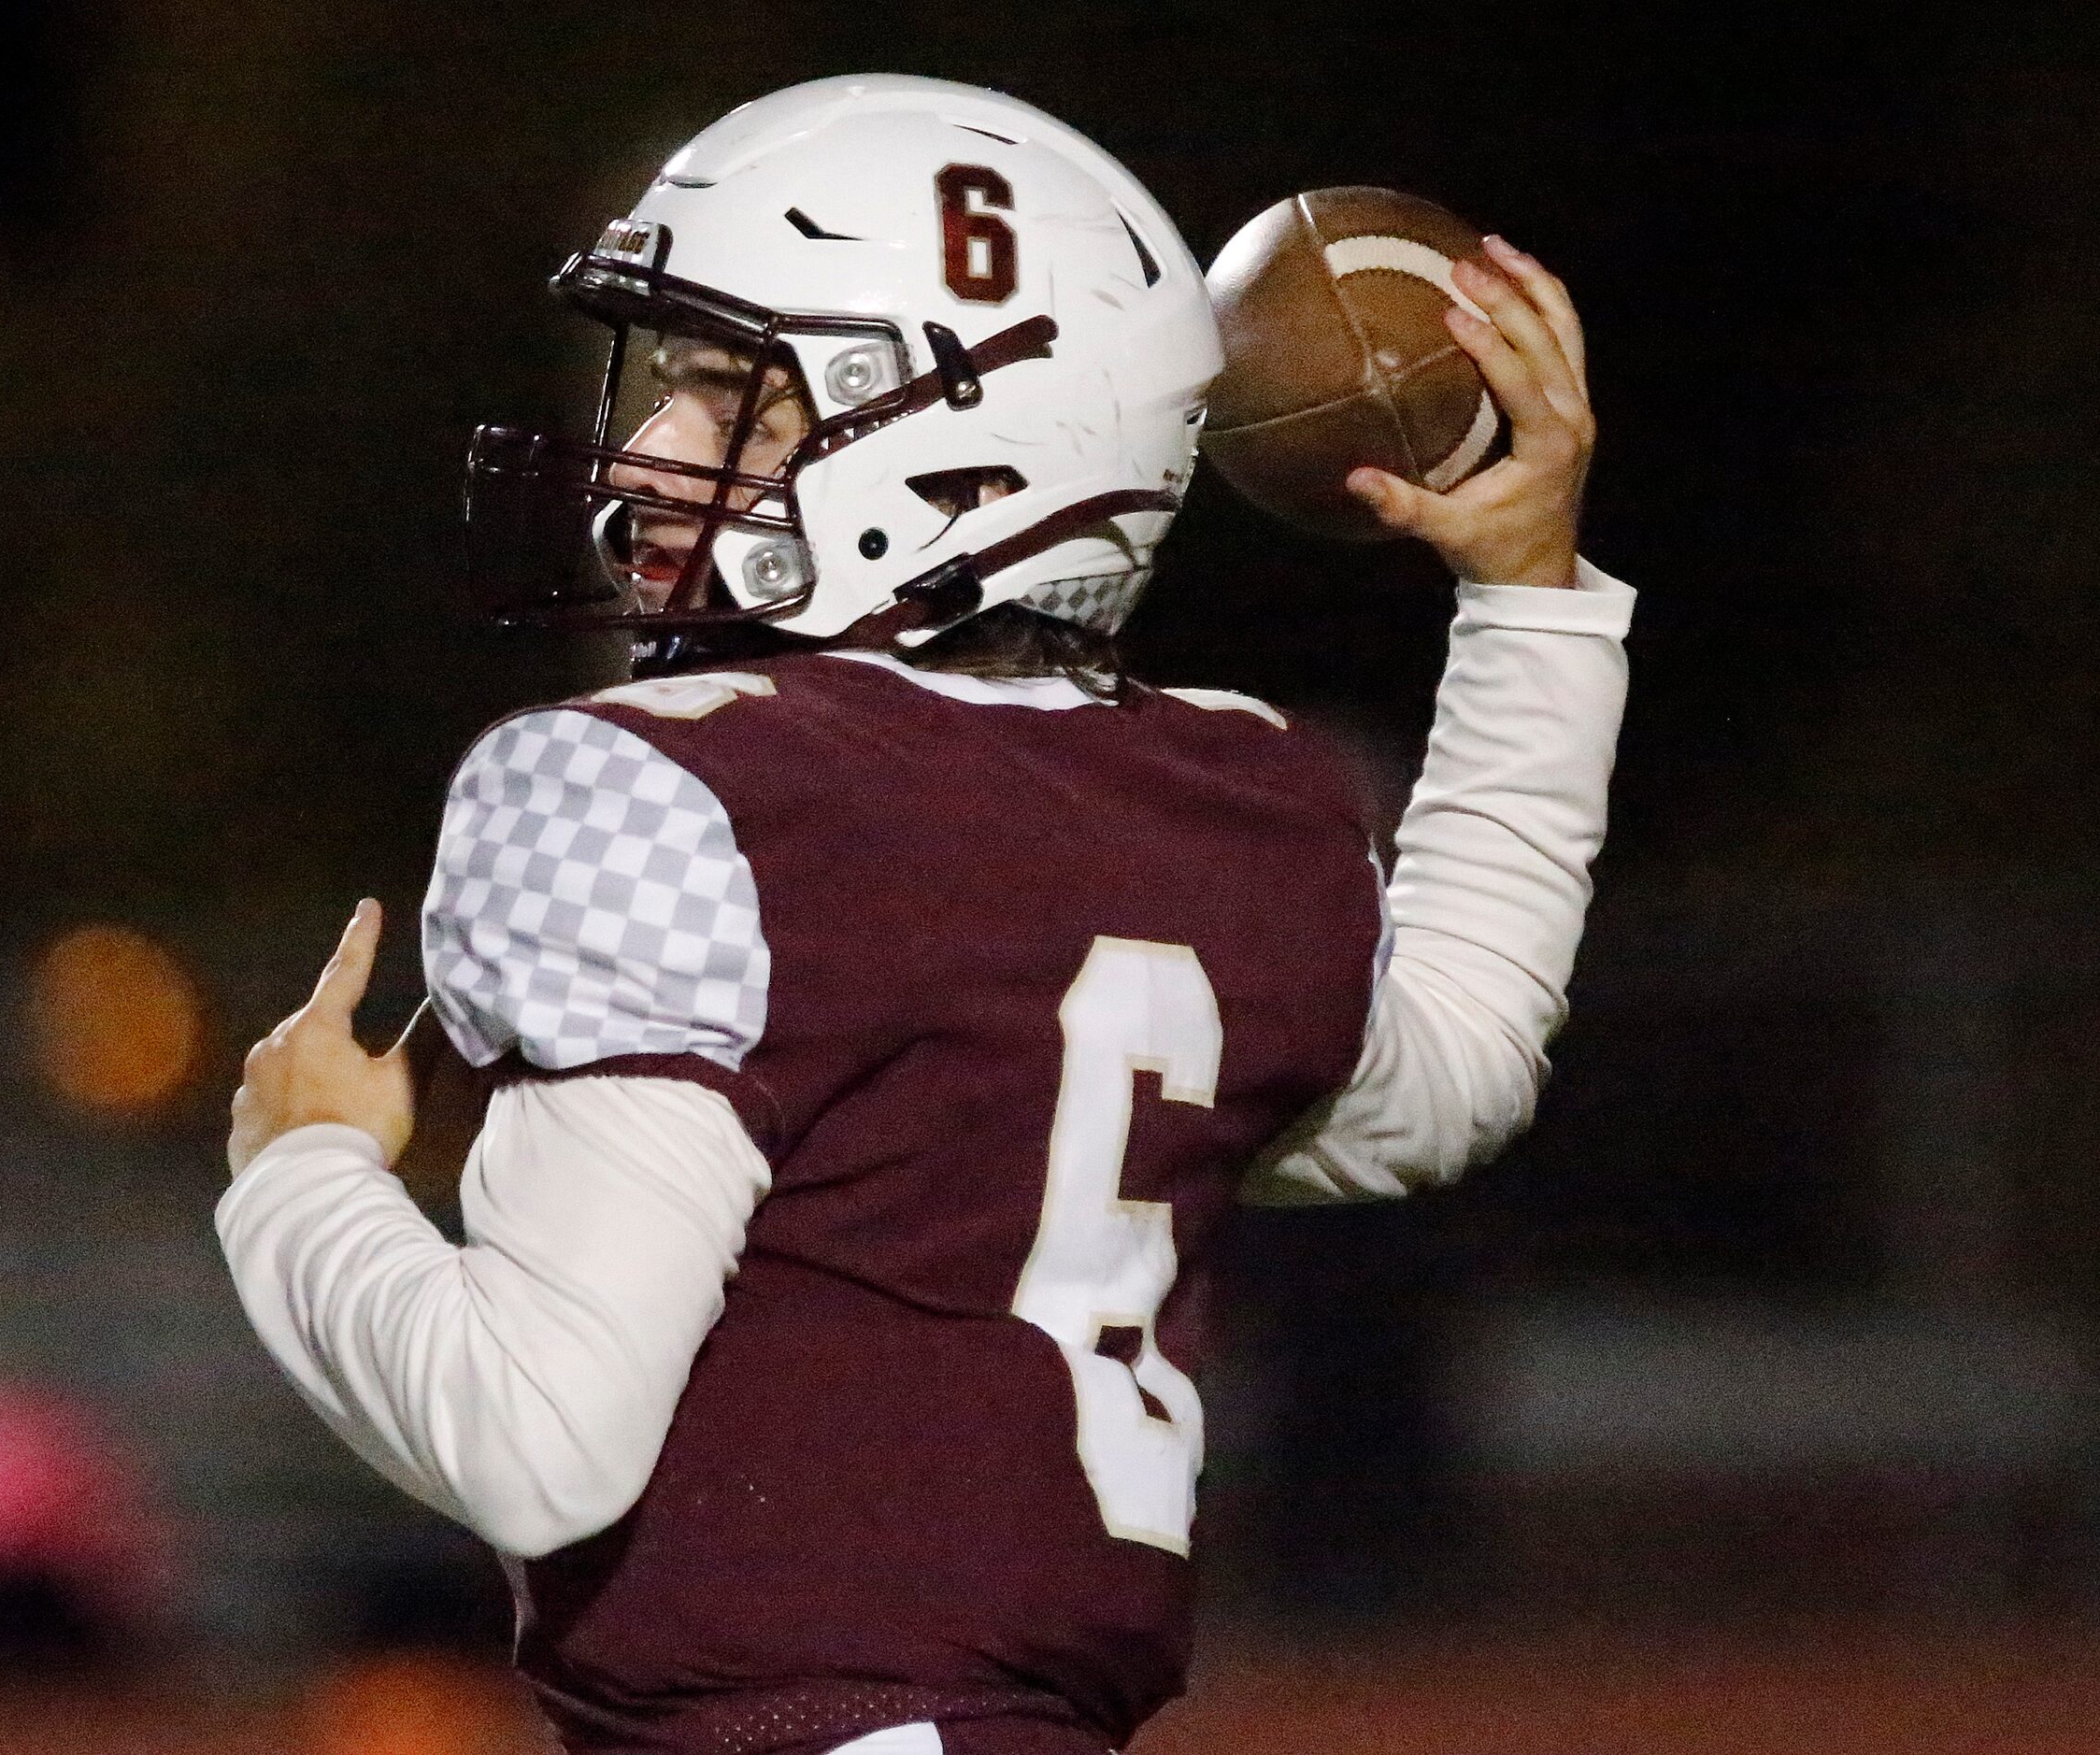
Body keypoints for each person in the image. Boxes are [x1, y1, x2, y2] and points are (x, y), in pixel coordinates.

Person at [219, 74, 1626, 1755]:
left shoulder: (663, 789)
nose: (650, 450)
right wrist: (1529, 599)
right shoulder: (1234, 802)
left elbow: (531, 1436)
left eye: (726, 392)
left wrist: (300, 1172)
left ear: (953, 439)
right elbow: (1455, 1067)